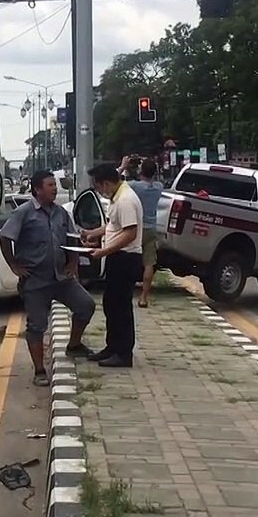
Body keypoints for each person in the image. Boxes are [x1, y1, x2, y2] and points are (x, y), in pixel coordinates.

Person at [0, 170, 97, 386]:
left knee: (86, 305)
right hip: (35, 281)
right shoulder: (24, 213)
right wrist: (14, 265)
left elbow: (71, 237)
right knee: (37, 326)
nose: (55, 188)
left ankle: (74, 345)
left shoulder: (61, 213)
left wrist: (73, 262)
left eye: (55, 184)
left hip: (61, 278)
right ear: (37, 189)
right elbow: (4, 237)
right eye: (51, 185)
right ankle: (39, 370)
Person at [80, 162, 142, 368]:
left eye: (99, 187)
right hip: (117, 257)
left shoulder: (126, 200)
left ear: (106, 183)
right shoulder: (118, 197)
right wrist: (93, 234)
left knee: (121, 307)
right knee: (111, 304)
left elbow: (130, 233)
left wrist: (104, 251)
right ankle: (112, 347)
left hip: (125, 258)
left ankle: (124, 353)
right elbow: (114, 226)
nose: (100, 192)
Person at [120, 155, 164, 307]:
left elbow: (116, 182)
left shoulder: (134, 186)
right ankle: (144, 297)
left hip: (136, 228)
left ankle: (126, 292)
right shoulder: (158, 187)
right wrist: (148, 161)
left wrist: (124, 166)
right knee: (149, 263)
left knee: (130, 260)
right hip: (152, 228)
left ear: (141, 171)